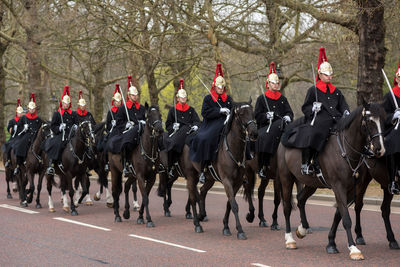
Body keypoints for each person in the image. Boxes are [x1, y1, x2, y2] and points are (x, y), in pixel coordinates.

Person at [283, 47, 350, 176]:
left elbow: (343, 105)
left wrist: (346, 112)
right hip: (318, 118)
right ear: (320, 75)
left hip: (336, 119)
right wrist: (313, 108)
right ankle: (306, 163)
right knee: (313, 132)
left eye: (330, 74)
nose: (329, 77)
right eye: (326, 74)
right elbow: (305, 107)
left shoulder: (336, 91)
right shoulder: (313, 90)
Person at [189, 63, 233, 183]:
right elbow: (205, 112)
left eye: (222, 87)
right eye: (219, 87)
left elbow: (233, 110)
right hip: (211, 124)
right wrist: (219, 110)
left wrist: (231, 114)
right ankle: (203, 169)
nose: (221, 89)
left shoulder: (228, 99)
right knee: (205, 139)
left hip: (226, 123)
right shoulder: (208, 98)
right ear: (214, 86)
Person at [255, 62, 293, 180]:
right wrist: (266, 116)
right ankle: (262, 166)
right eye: (273, 83)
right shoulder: (262, 99)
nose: (275, 85)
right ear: (268, 84)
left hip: (282, 125)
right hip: (266, 127)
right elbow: (256, 115)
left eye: (277, 83)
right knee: (264, 137)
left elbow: (289, 112)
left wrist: (288, 117)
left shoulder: (283, 99)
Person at [107, 77, 146, 176]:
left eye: (136, 95)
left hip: (140, 131)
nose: (135, 97)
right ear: (129, 95)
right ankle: (126, 164)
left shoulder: (141, 108)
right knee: (127, 143)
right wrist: (126, 125)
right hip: (127, 132)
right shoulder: (123, 108)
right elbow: (119, 123)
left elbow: (144, 119)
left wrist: (143, 122)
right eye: (133, 95)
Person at [164, 79, 201, 177]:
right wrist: (173, 127)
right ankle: (171, 167)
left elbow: (197, 120)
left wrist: (196, 125)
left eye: (185, 97)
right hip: (179, 131)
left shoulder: (191, 110)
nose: (183, 99)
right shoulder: (173, 110)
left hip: (190, 130)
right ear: (178, 98)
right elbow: (168, 125)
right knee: (172, 144)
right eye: (181, 97)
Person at [45, 86, 77, 175]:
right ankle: (52, 164)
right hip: (61, 135)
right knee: (56, 145)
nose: (66, 105)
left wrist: (75, 127)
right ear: (62, 103)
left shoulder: (73, 114)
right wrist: (59, 128)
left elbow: (76, 123)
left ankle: (84, 166)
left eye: (67, 103)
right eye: (65, 103)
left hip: (72, 135)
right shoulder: (57, 114)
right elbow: (53, 126)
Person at [382, 56, 400, 194]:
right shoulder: (390, 95)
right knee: (393, 141)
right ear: (397, 79)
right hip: (394, 127)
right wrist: (394, 115)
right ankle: (393, 180)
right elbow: (383, 115)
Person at [12, 93, 43, 175]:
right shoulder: (24, 118)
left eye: (33, 109)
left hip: (36, 136)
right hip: (27, 135)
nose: (32, 110)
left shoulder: (38, 119)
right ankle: (18, 165)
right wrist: (23, 128)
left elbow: (41, 127)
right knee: (20, 146)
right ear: (28, 109)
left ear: (35, 109)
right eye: (30, 109)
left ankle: (45, 164)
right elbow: (18, 128)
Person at [102, 83, 123, 172]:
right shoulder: (110, 112)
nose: (118, 103)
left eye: (119, 101)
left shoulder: (123, 110)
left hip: (122, 129)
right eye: (116, 101)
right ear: (113, 102)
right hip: (113, 130)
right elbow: (108, 124)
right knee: (107, 144)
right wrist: (112, 124)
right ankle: (107, 162)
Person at [2, 99, 24, 168]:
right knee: (9, 146)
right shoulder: (12, 121)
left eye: (21, 113)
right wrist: (11, 129)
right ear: (16, 113)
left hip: (22, 137)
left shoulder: (24, 120)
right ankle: (8, 160)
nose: (20, 114)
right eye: (19, 113)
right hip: (14, 137)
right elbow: (9, 128)